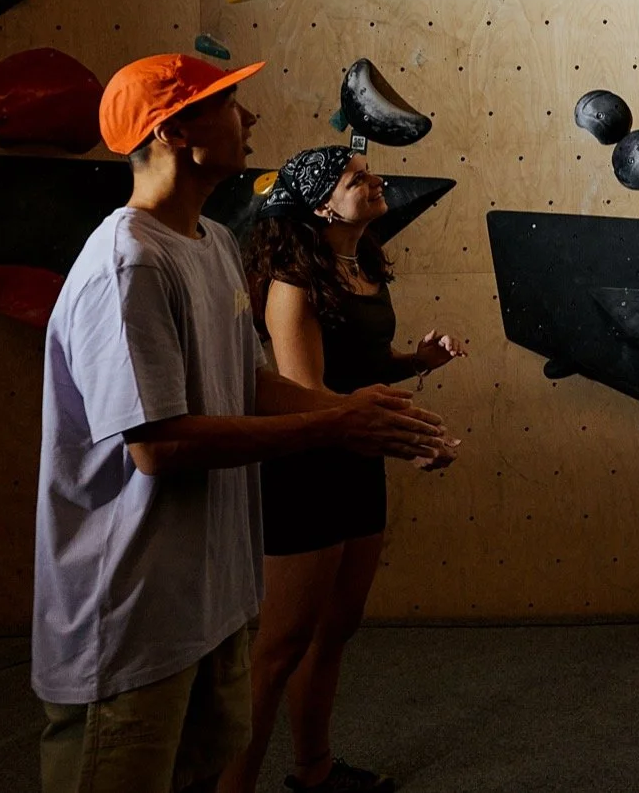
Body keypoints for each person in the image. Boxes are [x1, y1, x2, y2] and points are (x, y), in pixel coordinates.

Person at [34, 54, 454, 793]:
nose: (250, 117)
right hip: (131, 617)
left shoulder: (213, 245)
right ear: (173, 134)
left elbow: (247, 384)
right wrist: (336, 425)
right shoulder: (126, 265)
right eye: (229, 104)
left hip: (209, 604)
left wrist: (367, 419)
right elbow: (158, 447)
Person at [222, 146, 466, 793]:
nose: (374, 181)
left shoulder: (361, 267)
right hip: (307, 471)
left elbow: (362, 364)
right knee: (279, 651)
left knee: (334, 631)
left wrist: (413, 362)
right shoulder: (293, 283)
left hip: (357, 464)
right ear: (322, 205)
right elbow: (307, 393)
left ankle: (315, 771)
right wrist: (403, 436)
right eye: (356, 178)